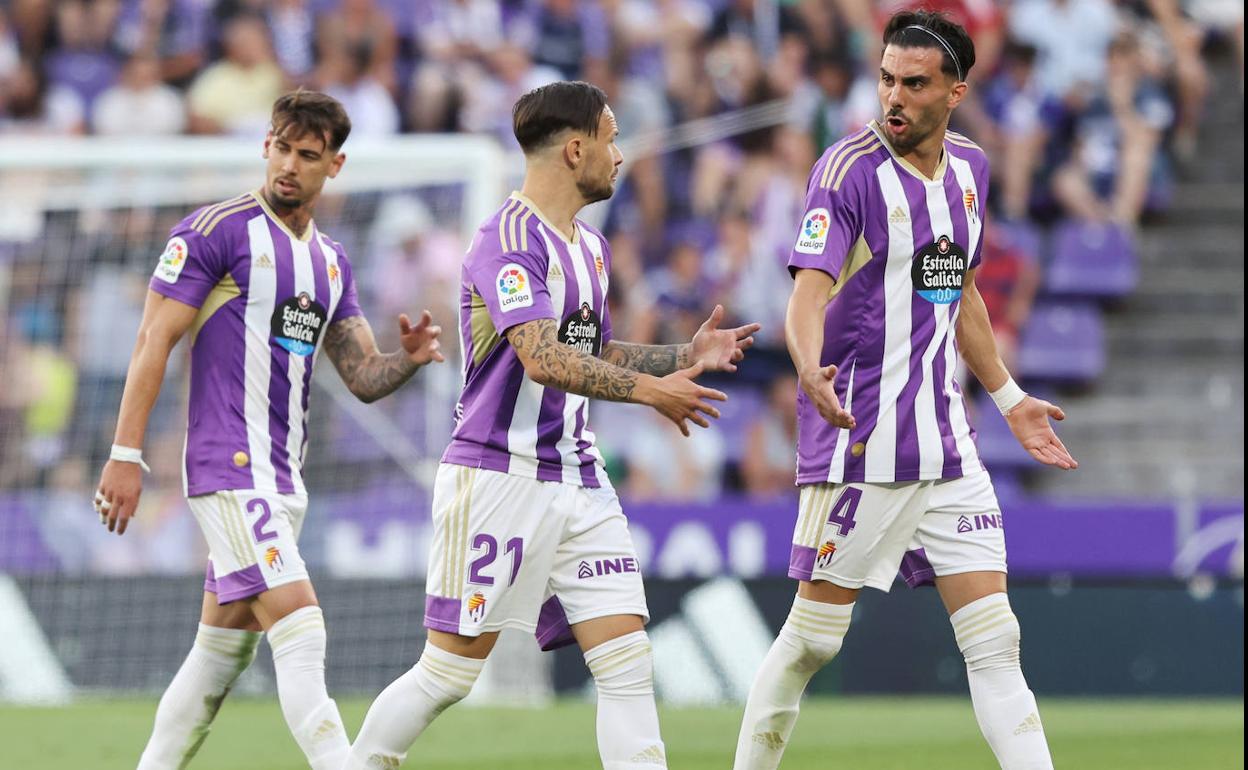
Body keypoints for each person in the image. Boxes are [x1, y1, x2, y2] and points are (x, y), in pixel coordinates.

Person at [344, 80, 759, 770]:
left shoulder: (589, 249)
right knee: (449, 673)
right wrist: (651, 391)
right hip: (498, 475)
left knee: (627, 662)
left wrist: (684, 355)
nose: (620, 155)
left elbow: (590, 352)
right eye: (612, 137)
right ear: (576, 148)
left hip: (579, 477)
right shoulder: (506, 240)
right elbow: (540, 357)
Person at [733, 11, 1077, 770]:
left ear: (955, 91)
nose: (893, 97)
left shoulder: (971, 172)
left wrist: (1009, 396)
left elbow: (957, 294)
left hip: (948, 445)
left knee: (996, 641)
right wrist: (808, 365)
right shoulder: (847, 170)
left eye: (914, 84)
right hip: (861, 437)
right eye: (886, 78)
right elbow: (807, 294)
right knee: (811, 643)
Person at [92, 90, 445, 770]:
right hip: (227, 466)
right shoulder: (215, 231)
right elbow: (152, 340)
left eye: (307, 154)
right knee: (301, 622)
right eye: (281, 147)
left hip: (284, 478)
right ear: (265, 145)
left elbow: (363, 376)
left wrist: (411, 359)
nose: (289, 164)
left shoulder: (332, 264)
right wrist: (124, 455)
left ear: (333, 165)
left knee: (218, 657)